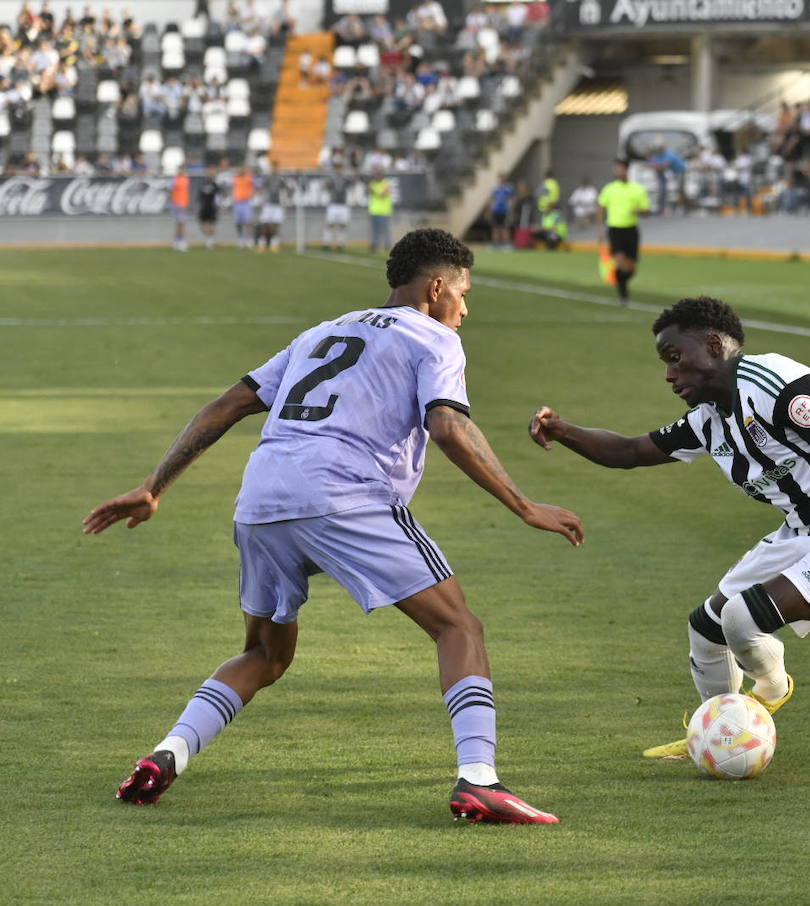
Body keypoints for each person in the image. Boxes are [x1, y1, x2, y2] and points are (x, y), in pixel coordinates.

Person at [84, 229, 583, 825]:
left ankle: (168, 755)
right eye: (465, 294)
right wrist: (524, 504)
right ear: (438, 287)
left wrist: (153, 487)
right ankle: (480, 779)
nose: (466, 309)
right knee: (458, 626)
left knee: (265, 654)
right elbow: (448, 426)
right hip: (346, 495)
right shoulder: (436, 337)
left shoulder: (323, 330)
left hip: (262, 498)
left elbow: (226, 406)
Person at [527, 296, 810, 759]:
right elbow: (629, 451)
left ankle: (768, 689)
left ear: (712, 344)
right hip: (803, 534)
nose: (669, 374)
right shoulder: (710, 419)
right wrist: (563, 431)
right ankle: (718, 736)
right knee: (705, 629)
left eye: (675, 358)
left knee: (741, 618)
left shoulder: (776, 383)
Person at [597, 157, 651, 307]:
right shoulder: (609, 188)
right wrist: (600, 229)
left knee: (631, 269)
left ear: (626, 169)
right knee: (620, 262)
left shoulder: (638, 189)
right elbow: (601, 209)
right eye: (616, 168)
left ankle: (619, 279)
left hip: (631, 230)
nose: (617, 171)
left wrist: (638, 210)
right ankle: (623, 295)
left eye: (620, 168)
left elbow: (647, 211)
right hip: (615, 229)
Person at [255, 169, 287, 253]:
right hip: (267, 205)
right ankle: (262, 244)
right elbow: (262, 190)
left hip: (277, 205)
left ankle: (274, 244)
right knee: (264, 224)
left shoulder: (281, 180)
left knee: (276, 224)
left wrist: (284, 204)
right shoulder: (267, 179)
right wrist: (261, 202)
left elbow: (284, 191)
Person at [323, 169, 351, 252]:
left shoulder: (346, 179)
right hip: (333, 204)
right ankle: (326, 243)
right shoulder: (331, 179)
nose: (338, 169)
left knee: (342, 225)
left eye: (340, 167)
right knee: (330, 224)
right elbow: (326, 186)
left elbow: (352, 182)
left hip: (343, 204)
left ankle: (340, 243)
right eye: (337, 167)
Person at [367, 170, 392, 254]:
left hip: (384, 211)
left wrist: (373, 190)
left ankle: (387, 246)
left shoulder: (386, 183)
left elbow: (383, 194)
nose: (377, 177)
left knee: (385, 230)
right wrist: (372, 189)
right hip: (374, 211)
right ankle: (374, 246)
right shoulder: (373, 183)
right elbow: (369, 191)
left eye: (379, 175)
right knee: (375, 231)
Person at [196, 167, 221, 249]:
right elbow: (199, 196)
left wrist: (217, 206)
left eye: (211, 173)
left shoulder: (215, 185)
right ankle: (209, 238)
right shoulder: (203, 184)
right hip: (204, 207)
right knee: (203, 225)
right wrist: (199, 204)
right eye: (209, 173)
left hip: (211, 207)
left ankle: (210, 240)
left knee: (210, 224)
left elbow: (218, 196)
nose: (210, 174)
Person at [232, 166, 256, 250]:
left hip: (246, 202)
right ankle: (240, 239)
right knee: (238, 222)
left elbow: (254, 186)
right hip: (237, 202)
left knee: (248, 222)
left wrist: (252, 195)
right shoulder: (235, 178)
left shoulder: (249, 177)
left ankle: (249, 239)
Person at [488, 176, 514, 249]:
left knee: (505, 228)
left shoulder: (508, 189)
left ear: (504, 180)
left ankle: (506, 245)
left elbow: (511, 200)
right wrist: (490, 210)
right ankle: (495, 245)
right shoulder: (495, 189)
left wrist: (510, 210)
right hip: (496, 211)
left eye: (502, 179)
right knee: (495, 228)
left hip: (504, 211)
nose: (500, 181)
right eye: (499, 180)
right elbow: (492, 200)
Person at [169, 166, 190, 252]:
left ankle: (177, 241)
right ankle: (180, 241)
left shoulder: (185, 179)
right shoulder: (175, 179)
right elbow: (172, 190)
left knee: (181, 223)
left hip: (183, 203)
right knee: (180, 223)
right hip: (177, 204)